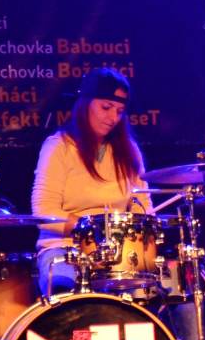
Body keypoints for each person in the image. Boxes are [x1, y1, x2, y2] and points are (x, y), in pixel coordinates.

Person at [32, 67, 149, 294]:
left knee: (166, 291)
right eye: (106, 107)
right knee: (66, 289)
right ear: (85, 104)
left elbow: (142, 207)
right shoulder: (59, 146)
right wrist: (94, 230)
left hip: (119, 254)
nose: (113, 118)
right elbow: (43, 212)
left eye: (119, 111)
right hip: (65, 249)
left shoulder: (129, 150)